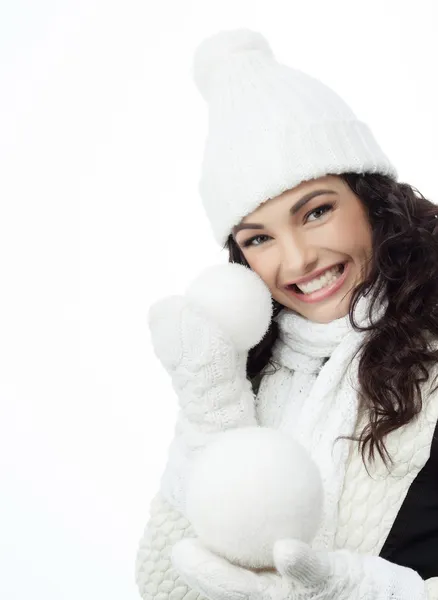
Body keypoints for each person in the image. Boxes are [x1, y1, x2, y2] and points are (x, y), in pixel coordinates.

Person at [135, 28, 438, 600]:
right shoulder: (251, 375)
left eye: (316, 211)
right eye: (258, 239)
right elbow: (163, 584)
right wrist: (210, 412)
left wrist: (365, 594)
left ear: (372, 201)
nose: (297, 261)